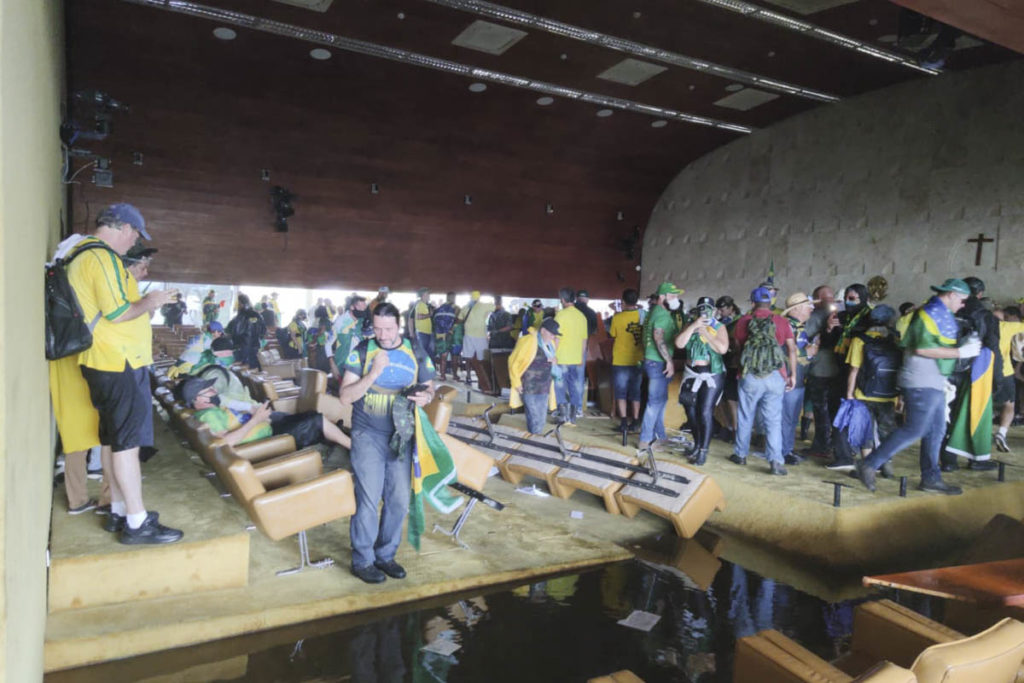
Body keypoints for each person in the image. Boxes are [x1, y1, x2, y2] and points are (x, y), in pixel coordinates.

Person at [66, 203, 183, 543]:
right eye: (134, 234)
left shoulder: (82, 255)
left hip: (102, 361)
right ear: (121, 227)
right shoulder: (102, 258)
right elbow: (117, 313)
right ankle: (137, 521)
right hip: (118, 362)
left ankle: (118, 510)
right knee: (127, 445)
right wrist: (153, 301)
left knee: (113, 439)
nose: (134, 243)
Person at [856, 279, 980, 495]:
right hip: (921, 379)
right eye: (962, 300)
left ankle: (931, 478)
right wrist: (960, 352)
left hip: (933, 379)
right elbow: (922, 349)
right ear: (951, 294)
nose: (963, 305)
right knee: (916, 428)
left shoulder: (936, 312)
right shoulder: (929, 314)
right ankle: (869, 463)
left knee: (936, 429)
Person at [340, 303, 435, 584]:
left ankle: (385, 555)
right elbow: (345, 397)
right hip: (367, 434)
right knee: (369, 499)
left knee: (398, 500)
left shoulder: (415, 351)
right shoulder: (362, 352)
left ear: (400, 326)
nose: (382, 334)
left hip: (401, 436)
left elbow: (430, 386)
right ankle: (363, 560)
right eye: (378, 328)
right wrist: (372, 374)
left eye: (389, 329)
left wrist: (426, 398)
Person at [728, 286, 797, 476]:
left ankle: (741, 455)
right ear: (771, 302)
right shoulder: (782, 321)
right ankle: (775, 461)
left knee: (745, 415)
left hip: (750, 375)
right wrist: (792, 375)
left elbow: (738, 347)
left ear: (752, 302)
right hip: (775, 375)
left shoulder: (743, 321)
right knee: (773, 420)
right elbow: (791, 349)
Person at [181, 376, 350, 450]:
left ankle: (336, 434)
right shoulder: (208, 416)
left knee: (310, 415)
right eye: (209, 390)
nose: (214, 391)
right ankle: (352, 446)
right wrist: (256, 420)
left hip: (267, 427)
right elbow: (223, 443)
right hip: (267, 440)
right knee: (315, 419)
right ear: (198, 399)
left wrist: (254, 413)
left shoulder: (210, 411)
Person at [829, 305, 901, 474]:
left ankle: (867, 465)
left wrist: (849, 393)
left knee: (865, 431)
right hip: (889, 394)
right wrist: (901, 396)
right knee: (886, 430)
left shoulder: (859, 340)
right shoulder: (896, 340)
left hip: (864, 393)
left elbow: (854, 369)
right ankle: (886, 463)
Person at [675, 296, 729, 465]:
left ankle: (703, 450)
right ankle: (697, 444)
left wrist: (706, 332)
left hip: (712, 374)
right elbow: (679, 344)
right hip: (692, 373)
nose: (704, 312)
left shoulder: (719, 327)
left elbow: (722, 349)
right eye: (701, 308)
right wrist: (694, 326)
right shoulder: (690, 325)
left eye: (707, 309)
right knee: (690, 410)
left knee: (704, 411)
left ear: (713, 311)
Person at [638, 283, 683, 451]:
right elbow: (658, 339)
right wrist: (669, 361)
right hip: (658, 362)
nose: (676, 299)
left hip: (651, 360)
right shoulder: (662, 315)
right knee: (655, 402)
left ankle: (660, 436)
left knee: (660, 400)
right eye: (673, 296)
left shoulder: (653, 312)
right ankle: (645, 440)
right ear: (663, 296)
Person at [780, 293, 817, 466]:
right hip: (789, 379)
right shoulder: (787, 327)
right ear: (796, 309)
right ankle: (782, 451)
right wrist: (806, 352)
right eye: (808, 306)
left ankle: (787, 449)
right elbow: (782, 351)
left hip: (799, 379)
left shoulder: (800, 328)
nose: (812, 308)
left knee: (792, 418)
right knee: (786, 417)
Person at [508, 319, 562, 434]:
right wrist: (516, 382)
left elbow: (552, 360)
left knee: (541, 418)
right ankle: (534, 439)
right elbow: (513, 362)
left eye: (555, 334)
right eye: (551, 333)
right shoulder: (528, 341)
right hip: (529, 386)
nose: (553, 336)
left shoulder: (550, 344)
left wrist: (553, 360)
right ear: (542, 330)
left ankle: (534, 438)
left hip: (544, 386)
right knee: (534, 417)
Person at [608, 288, 644, 433]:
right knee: (635, 393)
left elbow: (613, 334)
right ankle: (635, 421)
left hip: (620, 361)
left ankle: (623, 422)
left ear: (623, 301)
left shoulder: (617, 317)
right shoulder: (643, 316)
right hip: (638, 360)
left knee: (620, 393)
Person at [554, 288, 589, 424]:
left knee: (560, 387)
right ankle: (573, 416)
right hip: (576, 359)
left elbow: (557, 338)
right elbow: (584, 340)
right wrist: (581, 358)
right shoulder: (581, 317)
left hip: (561, 358)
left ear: (562, 300)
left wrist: (552, 355)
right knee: (574, 387)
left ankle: (563, 415)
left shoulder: (560, 316)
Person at [994, 306, 1024, 453]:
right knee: (1009, 405)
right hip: (1004, 371)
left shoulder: (980, 326)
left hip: (983, 373)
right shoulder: (1006, 327)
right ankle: (1002, 432)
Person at [459, 291, 495, 395]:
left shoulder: (465, 307)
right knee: (482, 360)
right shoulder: (484, 306)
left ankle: (469, 376)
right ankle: (484, 383)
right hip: (480, 336)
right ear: (479, 298)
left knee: (468, 357)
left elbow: (460, 320)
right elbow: (496, 307)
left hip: (468, 335)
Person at [329, 294, 370, 383]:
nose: (363, 310)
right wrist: (332, 365)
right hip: (342, 363)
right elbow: (327, 344)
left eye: (364, 307)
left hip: (360, 364)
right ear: (352, 307)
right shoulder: (340, 322)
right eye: (360, 307)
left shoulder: (363, 321)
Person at [226, 293, 266, 369]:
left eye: (237, 303)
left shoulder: (239, 318)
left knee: (243, 371)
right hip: (255, 347)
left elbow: (235, 333)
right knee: (254, 369)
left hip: (241, 348)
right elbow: (263, 331)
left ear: (241, 304)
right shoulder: (258, 315)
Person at [487, 295, 515, 393]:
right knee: (502, 368)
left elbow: (509, 327)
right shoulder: (497, 315)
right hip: (501, 344)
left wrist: (497, 331)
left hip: (499, 344)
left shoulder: (499, 315)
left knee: (499, 368)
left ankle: (500, 389)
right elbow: (509, 327)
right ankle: (501, 389)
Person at [432, 292, 459, 380]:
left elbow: (434, 322)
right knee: (455, 356)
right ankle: (455, 375)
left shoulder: (439, 308)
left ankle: (442, 375)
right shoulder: (456, 308)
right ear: (453, 298)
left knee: (443, 356)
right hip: (452, 335)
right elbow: (458, 321)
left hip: (440, 335)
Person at [412, 287, 434, 358]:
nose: (429, 295)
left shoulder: (425, 305)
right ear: (423, 295)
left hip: (426, 332)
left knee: (426, 353)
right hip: (422, 332)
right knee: (423, 353)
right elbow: (418, 317)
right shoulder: (420, 304)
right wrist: (429, 315)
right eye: (428, 294)